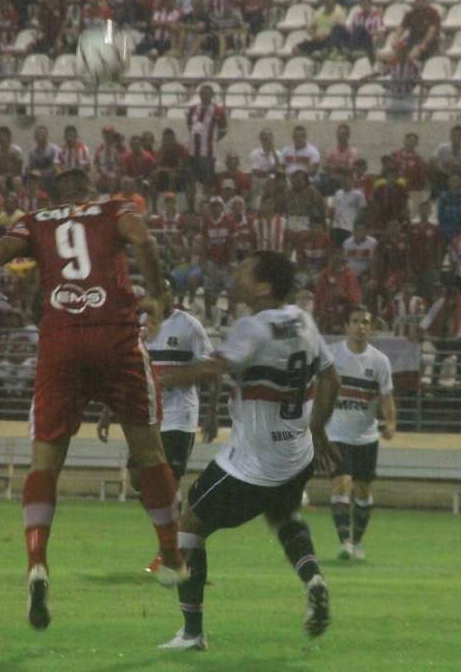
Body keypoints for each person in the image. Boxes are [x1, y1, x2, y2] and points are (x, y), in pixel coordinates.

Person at [0, 167, 188, 630]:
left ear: (54, 194)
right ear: (89, 188)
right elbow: (144, 242)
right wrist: (159, 296)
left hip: (59, 340)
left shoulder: (35, 221)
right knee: (148, 450)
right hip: (115, 338)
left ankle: (37, 564)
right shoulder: (113, 209)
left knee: (44, 463)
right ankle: (170, 555)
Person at [156, 250, 341, 650]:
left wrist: (159, 379)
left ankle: (192, 633)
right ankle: (314, 581)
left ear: (263, 286)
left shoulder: (252, 328)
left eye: (244, 270)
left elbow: (211, 369)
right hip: (297, 455)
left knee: (190, 523)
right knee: (284, 518)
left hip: (253, 464)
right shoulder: (304, 322)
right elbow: (331, 379)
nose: (236, 273)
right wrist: (319, 430)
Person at [97, 278, 219, 572]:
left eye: (161, 291)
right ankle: (173, 542)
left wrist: (212, 414)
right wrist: (107, 410)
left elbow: (212, 367)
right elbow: (123, 372)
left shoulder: (188, 325)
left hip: (179, 416)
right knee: (140, 480)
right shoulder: (139, 327)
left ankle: (170, 552)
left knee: (166, 482)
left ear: (171, 295)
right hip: (147, 417)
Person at [327, 306, 395, 561]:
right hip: (335, 434)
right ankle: (344, 542)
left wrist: (390, 423)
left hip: (366, 436)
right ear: (346, 326)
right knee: (341, 482)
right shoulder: (332, 355)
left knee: (362, 491)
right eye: (355, 321)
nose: (361, 327)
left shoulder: (380, 361)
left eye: (365, 322)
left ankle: (357, 542)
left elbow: (387, 397)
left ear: (372, 327)